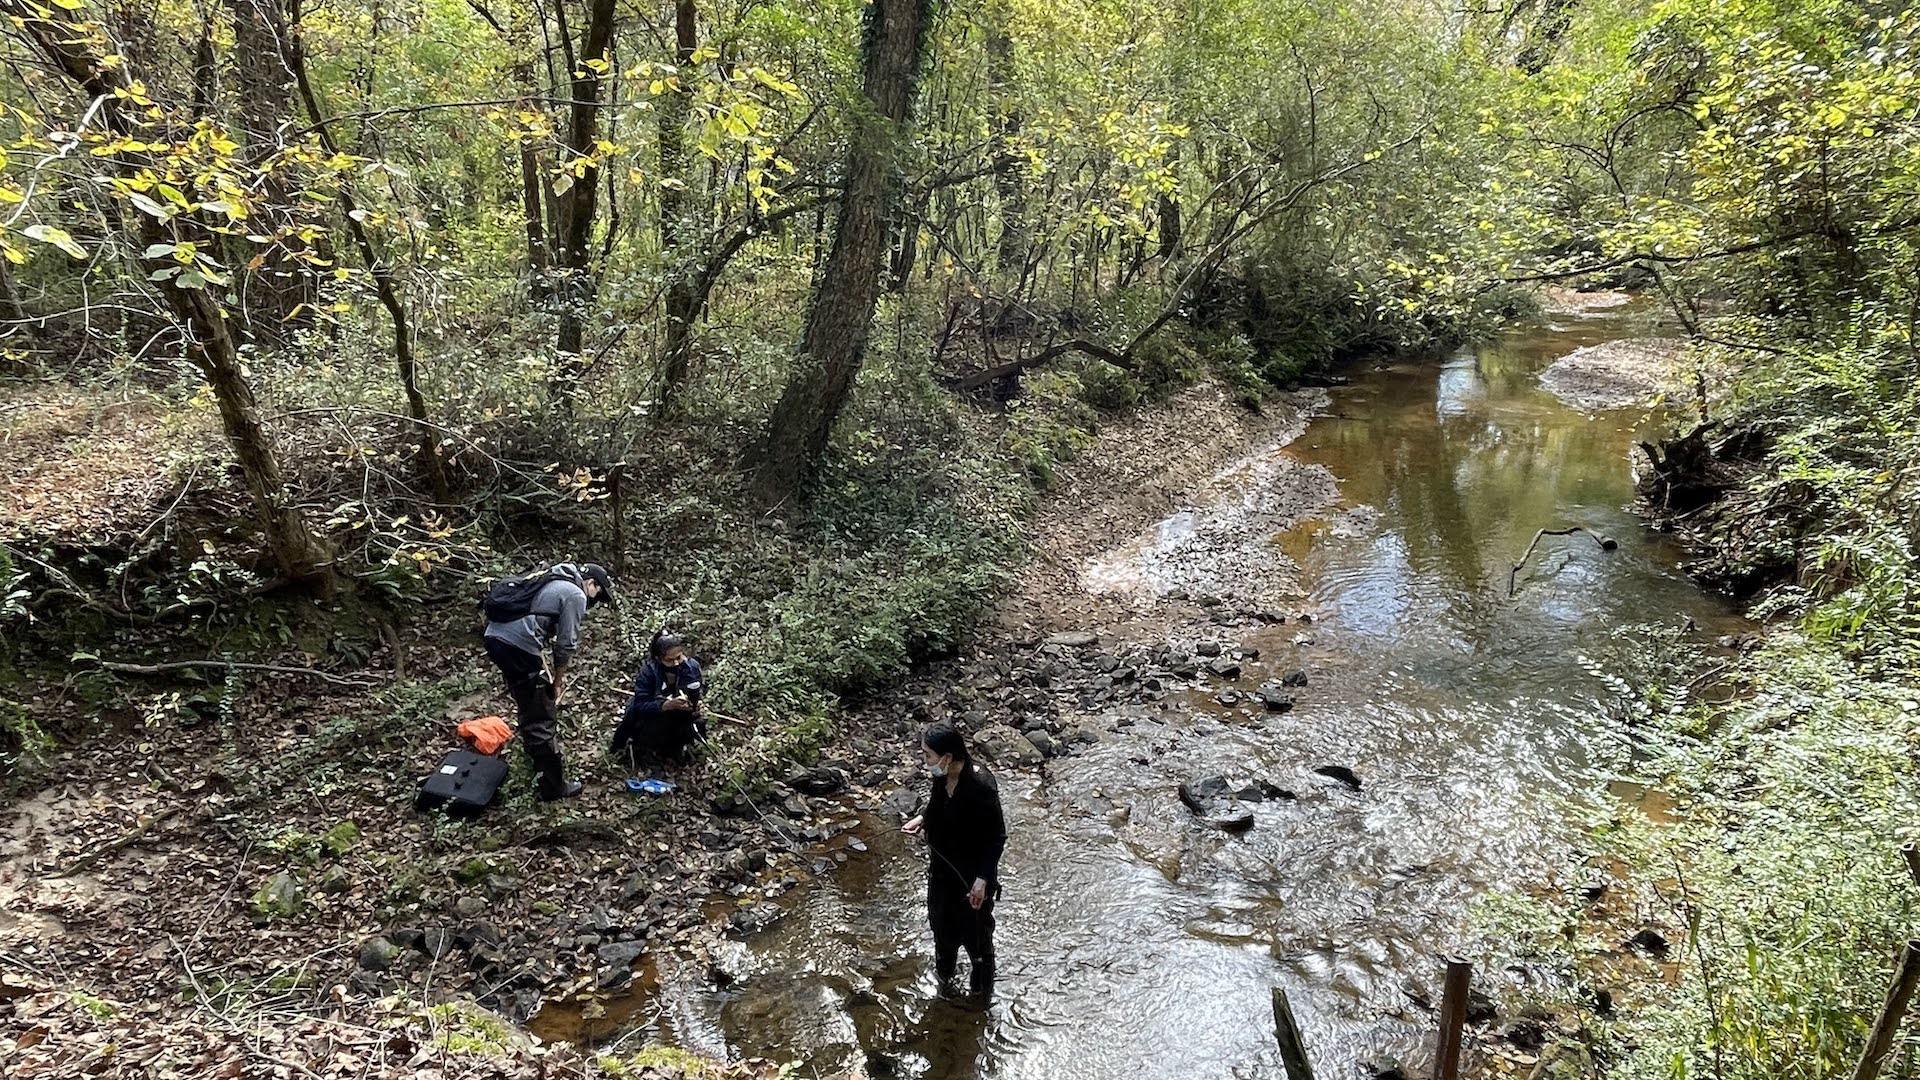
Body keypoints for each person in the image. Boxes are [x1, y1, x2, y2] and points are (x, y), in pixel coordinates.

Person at [481, 562, 613, 801]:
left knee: (529, 700)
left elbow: (535, 628)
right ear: (591, 583)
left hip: (496, 639)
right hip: (517, 647)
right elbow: (565, 646)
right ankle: (552, 788)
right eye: (598, 593)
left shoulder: (550, 578)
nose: (595, 600)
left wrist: (546, 672)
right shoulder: (575, 594)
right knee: (541, 712)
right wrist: (557, 682)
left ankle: (533, 760)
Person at [901, 722, 1007, 998]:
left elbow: (997, 837)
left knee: (978, 946)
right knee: (942, 935)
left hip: (973, 880)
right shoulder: (941, 777)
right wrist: (922, 819)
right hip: (941, 876)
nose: (925, 761)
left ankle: (980, 1004)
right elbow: (937, 805)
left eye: (928, 755)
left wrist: (982, 881)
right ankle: (944, 995)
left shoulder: (982, 786)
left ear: (947, 757)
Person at [611, 629, 706, 762]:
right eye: (669, 660)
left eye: (679, 658)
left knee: (699, 722)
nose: (676, 664)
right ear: (659, 659)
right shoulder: (648, 673)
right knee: (654, 724)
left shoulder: (691, 667)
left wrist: (696, 704)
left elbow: (696, 689)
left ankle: (682, 751)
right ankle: (647, 755)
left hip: (682, 715)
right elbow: (640, 704)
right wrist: (665, 705)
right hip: (653, 717)